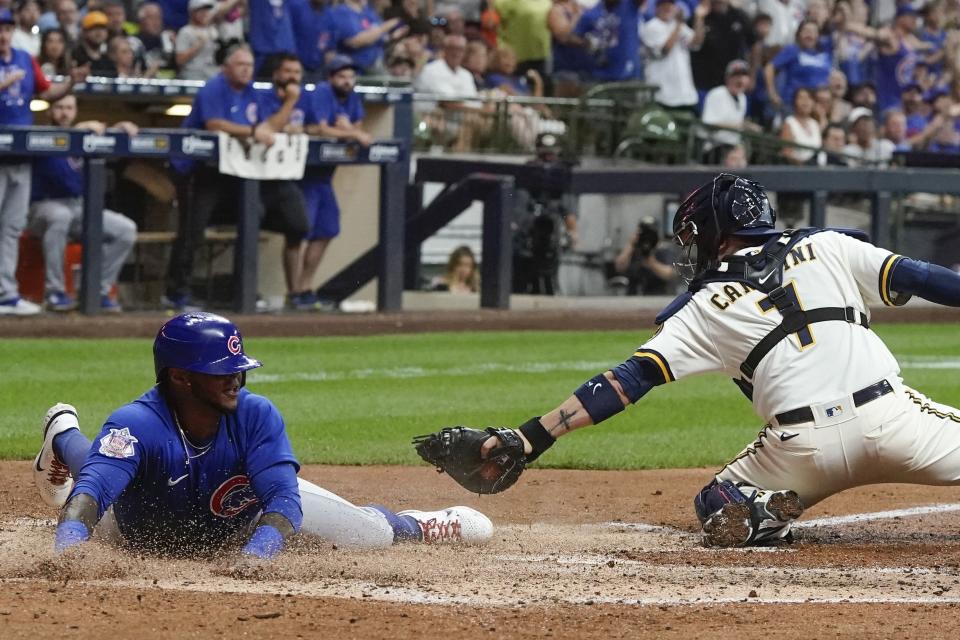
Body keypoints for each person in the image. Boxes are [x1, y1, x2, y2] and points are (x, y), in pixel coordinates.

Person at [453, 172, 960, 548]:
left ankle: (761, 515)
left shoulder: (700, 305)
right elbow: (923, 278)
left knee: (714, 504)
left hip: (801, 450)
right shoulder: (829, 245)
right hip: (894, 421)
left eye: (696, 235)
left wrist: (530, 437)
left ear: (718, 229)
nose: (693, 249)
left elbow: (626, 382)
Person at [36, 312, 493, 558]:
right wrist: (68, 556)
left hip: (240, 522)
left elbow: (282, 500)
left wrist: (258, 556)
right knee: (104, 471)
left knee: (368, 536)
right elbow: (91, 494)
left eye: (238, 368)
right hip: (136, 529)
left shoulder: (255, 415)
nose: (235, 379)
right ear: (179, 378)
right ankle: (63, 432)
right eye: (221, 372)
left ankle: (416, 523)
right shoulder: (136, 424)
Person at [164, 43, 305, 311]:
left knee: (253, 217)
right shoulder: (214, 87)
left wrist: (287, 110)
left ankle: (242, 291)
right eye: (241, 65)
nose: (246, 70)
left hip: (233, 171)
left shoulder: (253, 92)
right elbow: (214, 124)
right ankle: (175, 293)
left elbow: (267, 127)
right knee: (193, 231)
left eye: (250, 65)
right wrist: (253, 131)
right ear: (226, 67)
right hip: (198, 169)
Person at [0, 8, 82, 316]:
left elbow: (48, 93)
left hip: (20, 155)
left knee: (10, 227)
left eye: (7, 29)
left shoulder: (24, 58)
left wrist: (71, 82)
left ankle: (6, 294)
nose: (3, 35)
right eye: (0, 29)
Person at [28, 94, 138, 313]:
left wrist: (119, 130)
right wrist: (79, 131)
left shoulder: (85, 135)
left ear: (76, 110)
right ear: (49, 111)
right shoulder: (43, 135)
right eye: (59, 107)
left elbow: (107, 143)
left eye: (69, 108)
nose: (64, 112)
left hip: (78, 208)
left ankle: (99, 289)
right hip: (42, 208)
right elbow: (63, 177)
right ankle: (55, 292)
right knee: (61, 216)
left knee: (126, 229)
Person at [291, 54, 371, 310]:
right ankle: (294, 291)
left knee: (326, 229)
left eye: (350, 76)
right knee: (300, 232)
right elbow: (321, 128)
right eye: (342, 76)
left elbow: (357, 124)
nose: (347, 81)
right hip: (304, 174)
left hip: (325, 177)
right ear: (330, 77)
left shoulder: (352, 96)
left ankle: (305, 287)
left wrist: (350, 129)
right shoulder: (321, 92)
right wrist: (351, 132)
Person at [640, 0, 705, 113]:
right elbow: (665, 50)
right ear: (657, 8)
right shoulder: (651, 27)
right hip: (662, 96)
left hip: (684, 95)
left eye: (670, 4)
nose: (668, 7)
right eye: (664, 4)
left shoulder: (679, 26)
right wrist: (679, 25)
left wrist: (699, 17)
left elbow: (696, 43)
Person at [764, 20, 831, 114]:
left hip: (817, 106)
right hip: (793, 104)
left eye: (813, 32)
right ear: (799, 34)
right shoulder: (792, 50)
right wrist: (772, 93)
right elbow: (769, 67)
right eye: (806, 31)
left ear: (818, 35)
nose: (809, 35)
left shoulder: (824, 56)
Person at [690, 0, 752, 95]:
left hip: (731, 84)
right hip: (704, 83)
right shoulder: (698, 16)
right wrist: (699, 18)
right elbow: (695, 45)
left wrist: (752, 74)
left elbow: (755, 42)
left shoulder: (739, 16)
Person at [328, 0, 403, 75]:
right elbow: (354, 42)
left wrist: (392, 37)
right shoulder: (342, 12)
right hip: (354, 70)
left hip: (376, 63)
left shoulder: (368, 11)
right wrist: (385, 27)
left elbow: (378, 37)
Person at [700, 59, 758, 152]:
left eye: (743, 75)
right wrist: (740, 126)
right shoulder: (717, 94)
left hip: (732, 148)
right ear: (727, 78)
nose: (740, 80)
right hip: (713, 148)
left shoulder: (742, 98)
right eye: (736, 75)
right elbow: (708, 124)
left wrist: (748, 126)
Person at [612, 217, 677, 295]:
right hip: (633, 296)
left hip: (656, 296)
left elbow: (669, 274)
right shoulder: (633, 249)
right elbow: (619, 267)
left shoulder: (662, 250)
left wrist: (650, 262)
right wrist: (630, 245)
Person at [289, 0, 334, 81]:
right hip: (295, 63)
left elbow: (330, 43)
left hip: (319, 67)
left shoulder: (330, 13)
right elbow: (287, 35)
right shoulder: (296, 6)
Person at [175, 0, 219, 81]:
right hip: (191, 74)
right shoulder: (185, 32)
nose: (205, 13)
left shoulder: (212, 31)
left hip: (211, 73)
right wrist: (199, 44)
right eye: (201, 10)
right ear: (192, 12)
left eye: (207, 10)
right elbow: (179, 60)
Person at [779, 87, 821, 164]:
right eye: (801, 98)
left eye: (809, 98)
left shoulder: (815, 124)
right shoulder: (789, 123)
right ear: (794, 102)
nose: (805, 102)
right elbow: (786, 154)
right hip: (799, 169)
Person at [72, 11, 118, 77]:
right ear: (84, 32)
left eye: (102, 28)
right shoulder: (76, 55)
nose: (99, 32)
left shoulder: (109, 59)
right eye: (94, 28)